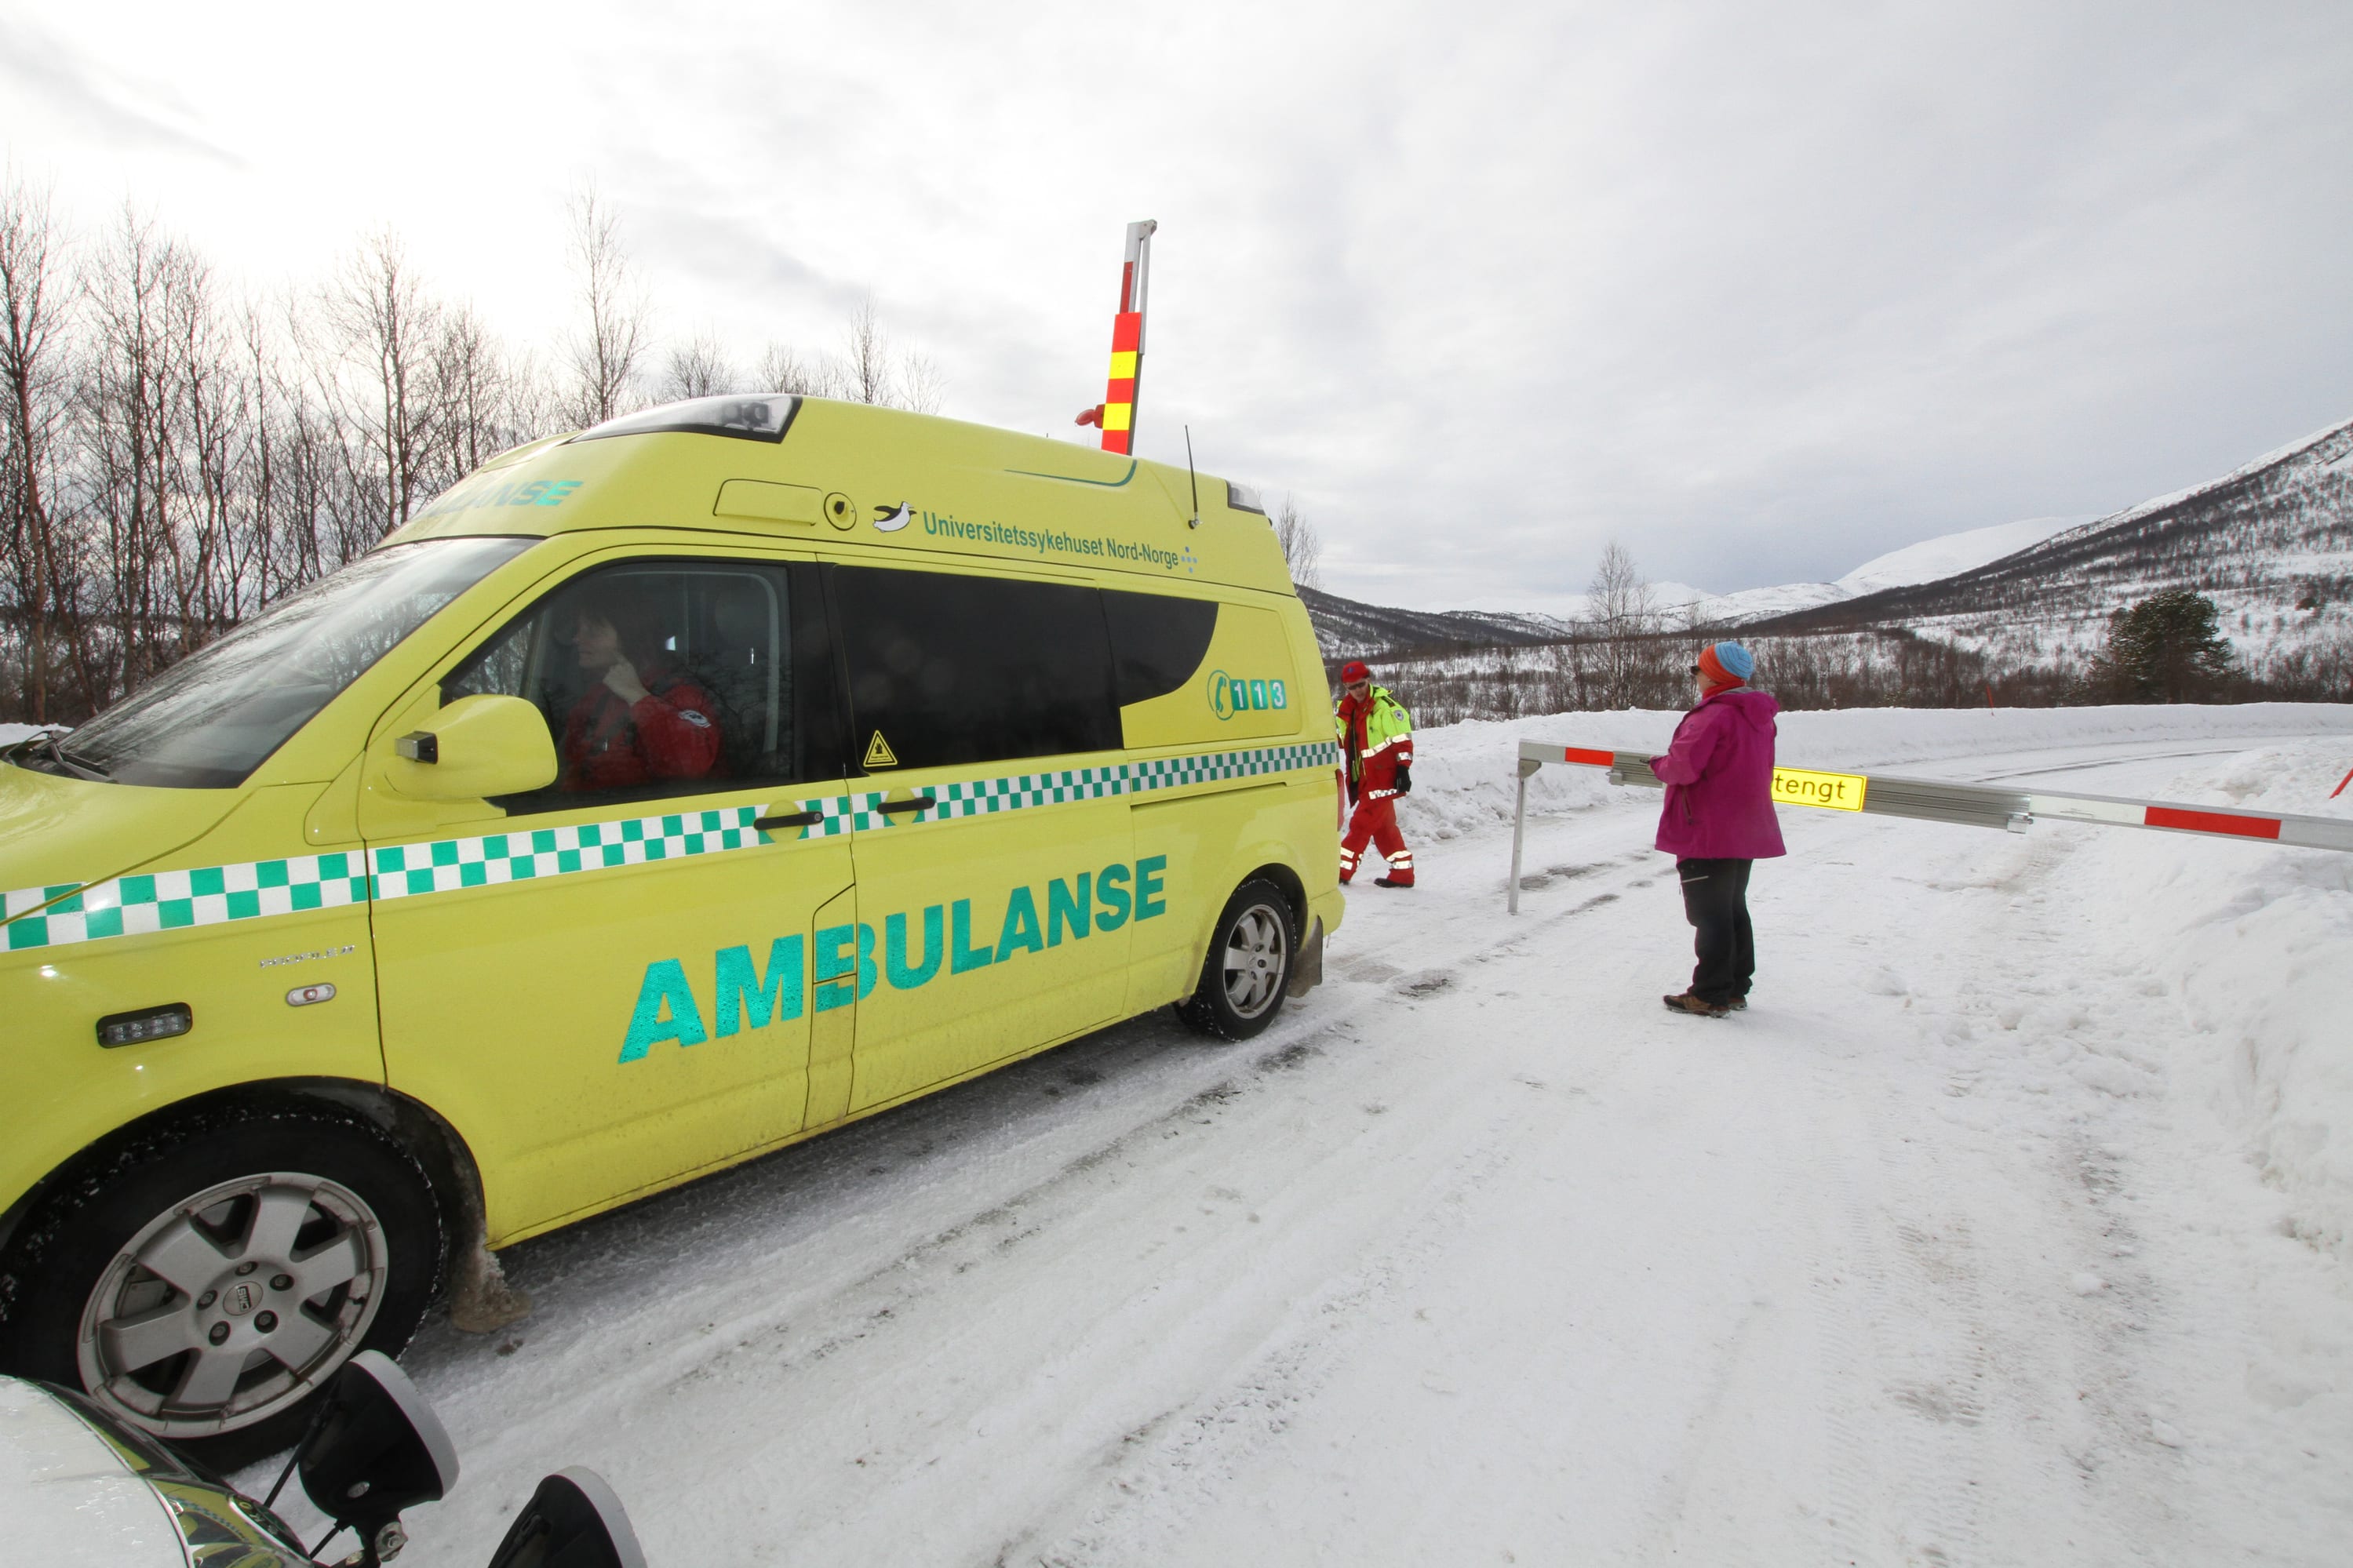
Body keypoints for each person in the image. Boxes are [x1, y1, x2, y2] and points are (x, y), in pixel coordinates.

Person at [1650, 640, 1783, 1016]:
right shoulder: (1759, 715)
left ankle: (1709, 994)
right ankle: (1735, 987)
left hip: (1707, 829)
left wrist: (1658, 765)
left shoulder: (1712, 716)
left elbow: (1682, 768)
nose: (1695, 676)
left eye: (1698, 669)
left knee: (1709, 914)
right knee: (1732, 907)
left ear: (1714, 676)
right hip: (1744, 826)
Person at [558, 584, 723, 792]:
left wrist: (638, 698)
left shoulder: (680, 695)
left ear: (629, 637)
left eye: (593, 632)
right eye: (579, 630)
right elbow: (570, 761)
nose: (577, 639)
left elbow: (688, 766)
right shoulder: (599, 695)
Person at [1333, 659, 1415, 887]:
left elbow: (1402, 740)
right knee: (1385, 831)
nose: (1358, 690)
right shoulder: (1347, 710)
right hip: (1363, 779)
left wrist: (1403, 768)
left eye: (1361, 684)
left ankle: (1340, 871)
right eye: (1352, 687)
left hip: (1383, 779)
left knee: (1360, 825)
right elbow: (1345, 741)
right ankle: (1403, 873)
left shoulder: (1385, 708)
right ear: (1346, 688)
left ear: (1368, 680)